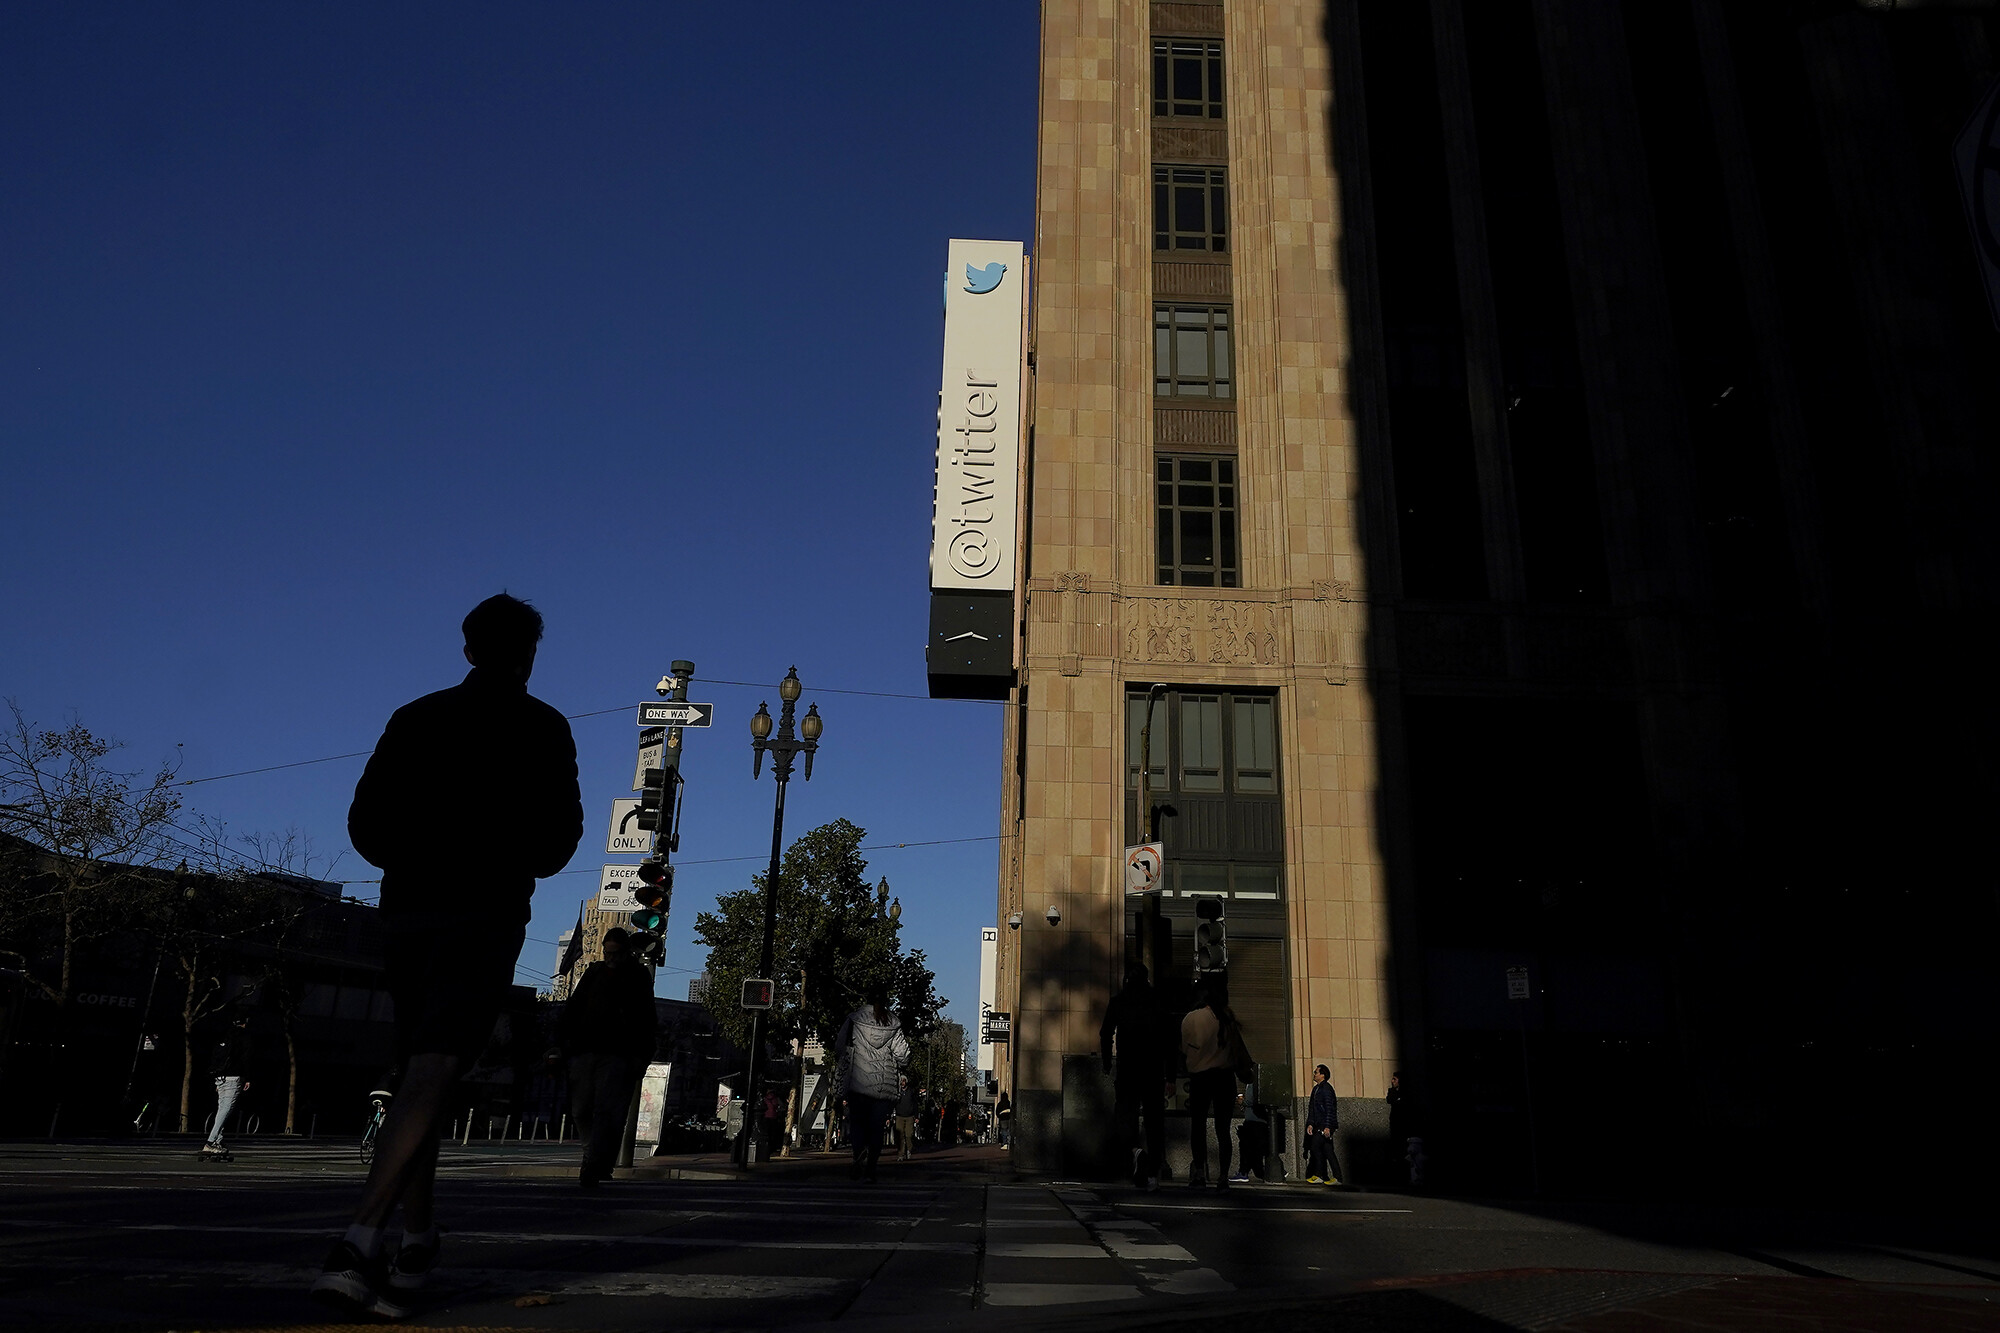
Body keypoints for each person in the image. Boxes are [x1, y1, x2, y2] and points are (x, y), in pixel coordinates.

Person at [312, 594, 583, 1318]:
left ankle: (417, 1236)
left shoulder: (415, 717)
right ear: (529, 653)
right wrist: (500, 856)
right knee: (433, 1067)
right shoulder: (545, 728)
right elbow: (560, 841)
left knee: (418, 1070)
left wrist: (417, 856)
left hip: (409, 910)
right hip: (485, 911)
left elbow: (364, 821)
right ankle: (368, 1234)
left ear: (468, 649)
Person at [549, 927, 659, 1187]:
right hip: (585, 1049)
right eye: (607, 952)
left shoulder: (637, 976)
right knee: (582, 1109)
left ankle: (595, 1161)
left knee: (606, 1111)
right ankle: (594, 1157)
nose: (610, 958)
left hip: (618, 1052)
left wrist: (641, 1055)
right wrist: (558, 1044)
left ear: (625, 952)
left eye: (615, 953)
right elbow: (573, 1008)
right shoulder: (594, 973)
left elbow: (646, 1018)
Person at [1100, 960, 1170, 1189]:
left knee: (1125, 1117)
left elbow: (1105, 1033)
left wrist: (1107, 1063)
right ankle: (1153, 1172)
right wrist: (1170, 1074)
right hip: (1153, 1069)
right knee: (1154, 1122)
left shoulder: (1119, 1001)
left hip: (1128, 1068)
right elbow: (1168, 1040)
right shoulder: (1157, 1000)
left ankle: (1135, 1152)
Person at [832, 987, 910, 1183]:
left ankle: (858, 1153)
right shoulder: (893, 1023)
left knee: (858, 1124)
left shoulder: (854, 1019)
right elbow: (903, 1055)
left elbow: (840, 1046)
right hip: (883, 1086)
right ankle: (871, 1169)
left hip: (857, 1083)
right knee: (876, 1128)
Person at [1181, 979, 1247, 1190]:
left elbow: (1184, 1050)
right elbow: (1239, 1051)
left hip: (1200, 1078)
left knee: (1198, 1126)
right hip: (1224, 1078)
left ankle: (1199, 1171)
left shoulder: (1191, 1018)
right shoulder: (1228, 1020)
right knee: (1223, 1129)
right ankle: (1223, 1176)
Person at [198, 1013, 253, 1159]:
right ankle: (210, 1142)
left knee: (221, 1109)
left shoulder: (225, 1035)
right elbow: (245, 1058)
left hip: (219, 1077)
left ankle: (217, 1141)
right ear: (244, 1023)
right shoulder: (244, 1037)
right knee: (226, 1109)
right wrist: (247, 1077)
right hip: (234, 1077)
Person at [1305, 1063, 1341, 1185]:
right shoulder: (1316, 1089)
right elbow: (1312, 1109)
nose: (1314, 1074)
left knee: (1315, 1147)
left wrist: (1327, 1126)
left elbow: (1330, 1109)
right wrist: (1310, 1123)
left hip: (1324, 1124)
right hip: (1318, 1124)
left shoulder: (1326, 1089)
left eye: (1316, 1072)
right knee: (1328, 1150)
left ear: (1323, 1075)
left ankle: (1320, 1174)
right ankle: (1337, 1177)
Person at [894, 1076, 917, 1161]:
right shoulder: (897, 1092)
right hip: (899, 1116)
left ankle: (909, 1149)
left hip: (909, 1116)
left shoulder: (911, 1091)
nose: (902, 1083)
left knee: (909, 1135)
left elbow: (915, 1104)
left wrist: (916, 1115)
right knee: (900, 1136)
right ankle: (901, 1154)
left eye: (903, 1081)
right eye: (901, 1081)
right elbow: (893, 1102)